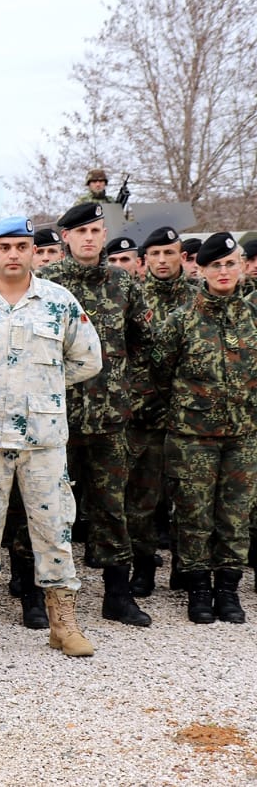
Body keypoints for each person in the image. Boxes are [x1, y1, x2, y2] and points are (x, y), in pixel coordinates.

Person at [0, 216, 103, 658]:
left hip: (44, 440)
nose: (13, 254)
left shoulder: (59, 302)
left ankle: (62, 622)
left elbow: (89, 359)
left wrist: (41, 388)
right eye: (4, 246)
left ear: (34, 252)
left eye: (22, 246)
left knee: (54, 530)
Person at [38, 202, 155, 629]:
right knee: (46, 507)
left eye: (96, 230)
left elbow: (147, 343)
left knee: (111, 508)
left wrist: (130, 392)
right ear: (65, 238)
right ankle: (40, 597)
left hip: (109, 421)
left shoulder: (124, 283)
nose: (89, 238)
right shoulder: (46, 284)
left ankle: (117, 596)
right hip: (54, 420)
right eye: (80, 231)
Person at [150, 232, 257, 624]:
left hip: (243, 435)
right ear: (201, 269)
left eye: (230, 264)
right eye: (215, 265)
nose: (224, 271)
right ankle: (198, 590)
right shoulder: (181, 319)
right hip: (192, 436)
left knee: (235, 514)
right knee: (194, 514)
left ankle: (228, 589)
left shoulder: (253, 316)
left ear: (243, 266)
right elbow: (162, 372)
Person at [131, 226, 198, 595]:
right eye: (154, 255)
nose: (161, 261)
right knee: (143, 498)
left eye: (169, 253)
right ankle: (142, 568)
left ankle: (186, 569)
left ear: (182, 257)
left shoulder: (198, 297)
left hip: (191, 418)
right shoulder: (134, 298)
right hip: (146, 416)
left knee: (188, 498)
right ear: (145, 261)